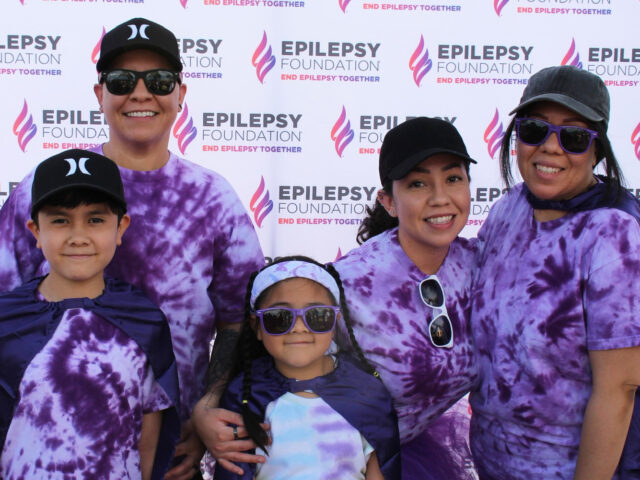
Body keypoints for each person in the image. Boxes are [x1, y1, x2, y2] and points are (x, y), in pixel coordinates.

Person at [0, 18, 264, 480]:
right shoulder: (41, 191)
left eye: (159, 81)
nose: (141, 94)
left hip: (169, 451)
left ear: (181, 95)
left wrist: (204, 408)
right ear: (99, 94)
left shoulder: (212, 198)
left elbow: (241, 319)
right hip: (49, 449)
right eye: (122, 81)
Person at [469, 65, 640, 479]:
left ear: (597, 150)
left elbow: (618, 391)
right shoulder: (509, 208)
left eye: (574, 136)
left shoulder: (614, 235)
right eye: (534, 130)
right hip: (492, 466)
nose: (550, 147)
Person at [0, 149, 180, 480]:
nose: (78, 236)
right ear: (35, 230)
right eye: (59, 220)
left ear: (121, 227)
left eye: (95, 219)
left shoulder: (144, 321)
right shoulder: (5, 319)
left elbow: (149, 441)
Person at [332, 117, 478, 480]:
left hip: (409, 454)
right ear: (389, 202)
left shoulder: (483, 267)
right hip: (333, 459)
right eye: (417, 183)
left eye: (453, 178)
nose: (440, 197)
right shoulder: (346, 283)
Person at [214, 256, 401, 480]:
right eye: (279, 318)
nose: (299, 328)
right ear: (257, 327)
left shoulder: (367, 393)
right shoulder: (244, 396)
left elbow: (381, 470)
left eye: (317, 316)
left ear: (335, 321)